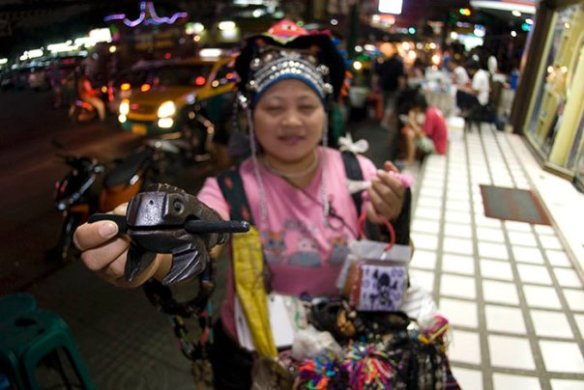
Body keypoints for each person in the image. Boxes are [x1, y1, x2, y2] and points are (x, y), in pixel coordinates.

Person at [73, 20, 409, 389]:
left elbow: (388, 257)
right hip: (252, 360)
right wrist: (150, 249)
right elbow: (199, 235)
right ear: (250, 117)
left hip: (341, 352)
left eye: (306, 106)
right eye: (275, 107)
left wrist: (393, 215)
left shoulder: (356, 170)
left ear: (325, 112)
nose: (292, 120)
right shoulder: (229, 187)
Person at [401, 92, 448, 165]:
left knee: (410, 134)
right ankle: (412, 158)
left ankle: (410, 160)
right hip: (440, 143)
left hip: (437, 147)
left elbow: (422, 135)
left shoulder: (430, 114)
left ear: (418, 106)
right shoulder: (431, 110)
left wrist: (412, 122)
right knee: (411, 132)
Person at [375, 41, 406, 128]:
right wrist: (401, 87)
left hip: (384, 85)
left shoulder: (384, 62)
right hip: (393, 87)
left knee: (386, 103)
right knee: (390, 105)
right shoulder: (398, 63)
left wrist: (376, 85)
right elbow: (401, 78)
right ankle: (385, 121)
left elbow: (377, 75)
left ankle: (384, 119)